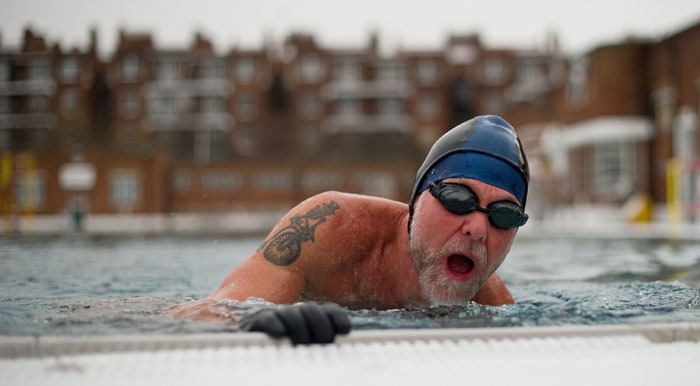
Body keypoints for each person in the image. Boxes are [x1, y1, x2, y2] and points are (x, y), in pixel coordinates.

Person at [172, 115, 530, 345]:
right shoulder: (330, 226)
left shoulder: (490, 299)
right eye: (457, 198)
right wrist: (257, 319)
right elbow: (197, 314)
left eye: (504, 216)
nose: (479, 228)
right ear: (415, 201)